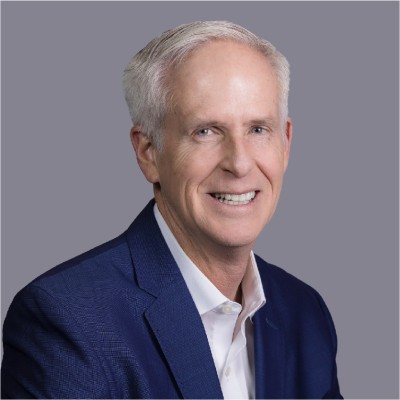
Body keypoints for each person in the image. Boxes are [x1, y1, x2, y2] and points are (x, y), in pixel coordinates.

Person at [1, 21, 342, 399]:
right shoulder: (68, 322)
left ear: (286, 143)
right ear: (148, 152)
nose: (240, 163)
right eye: (206, 131)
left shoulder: (304, 314)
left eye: (258, 129)